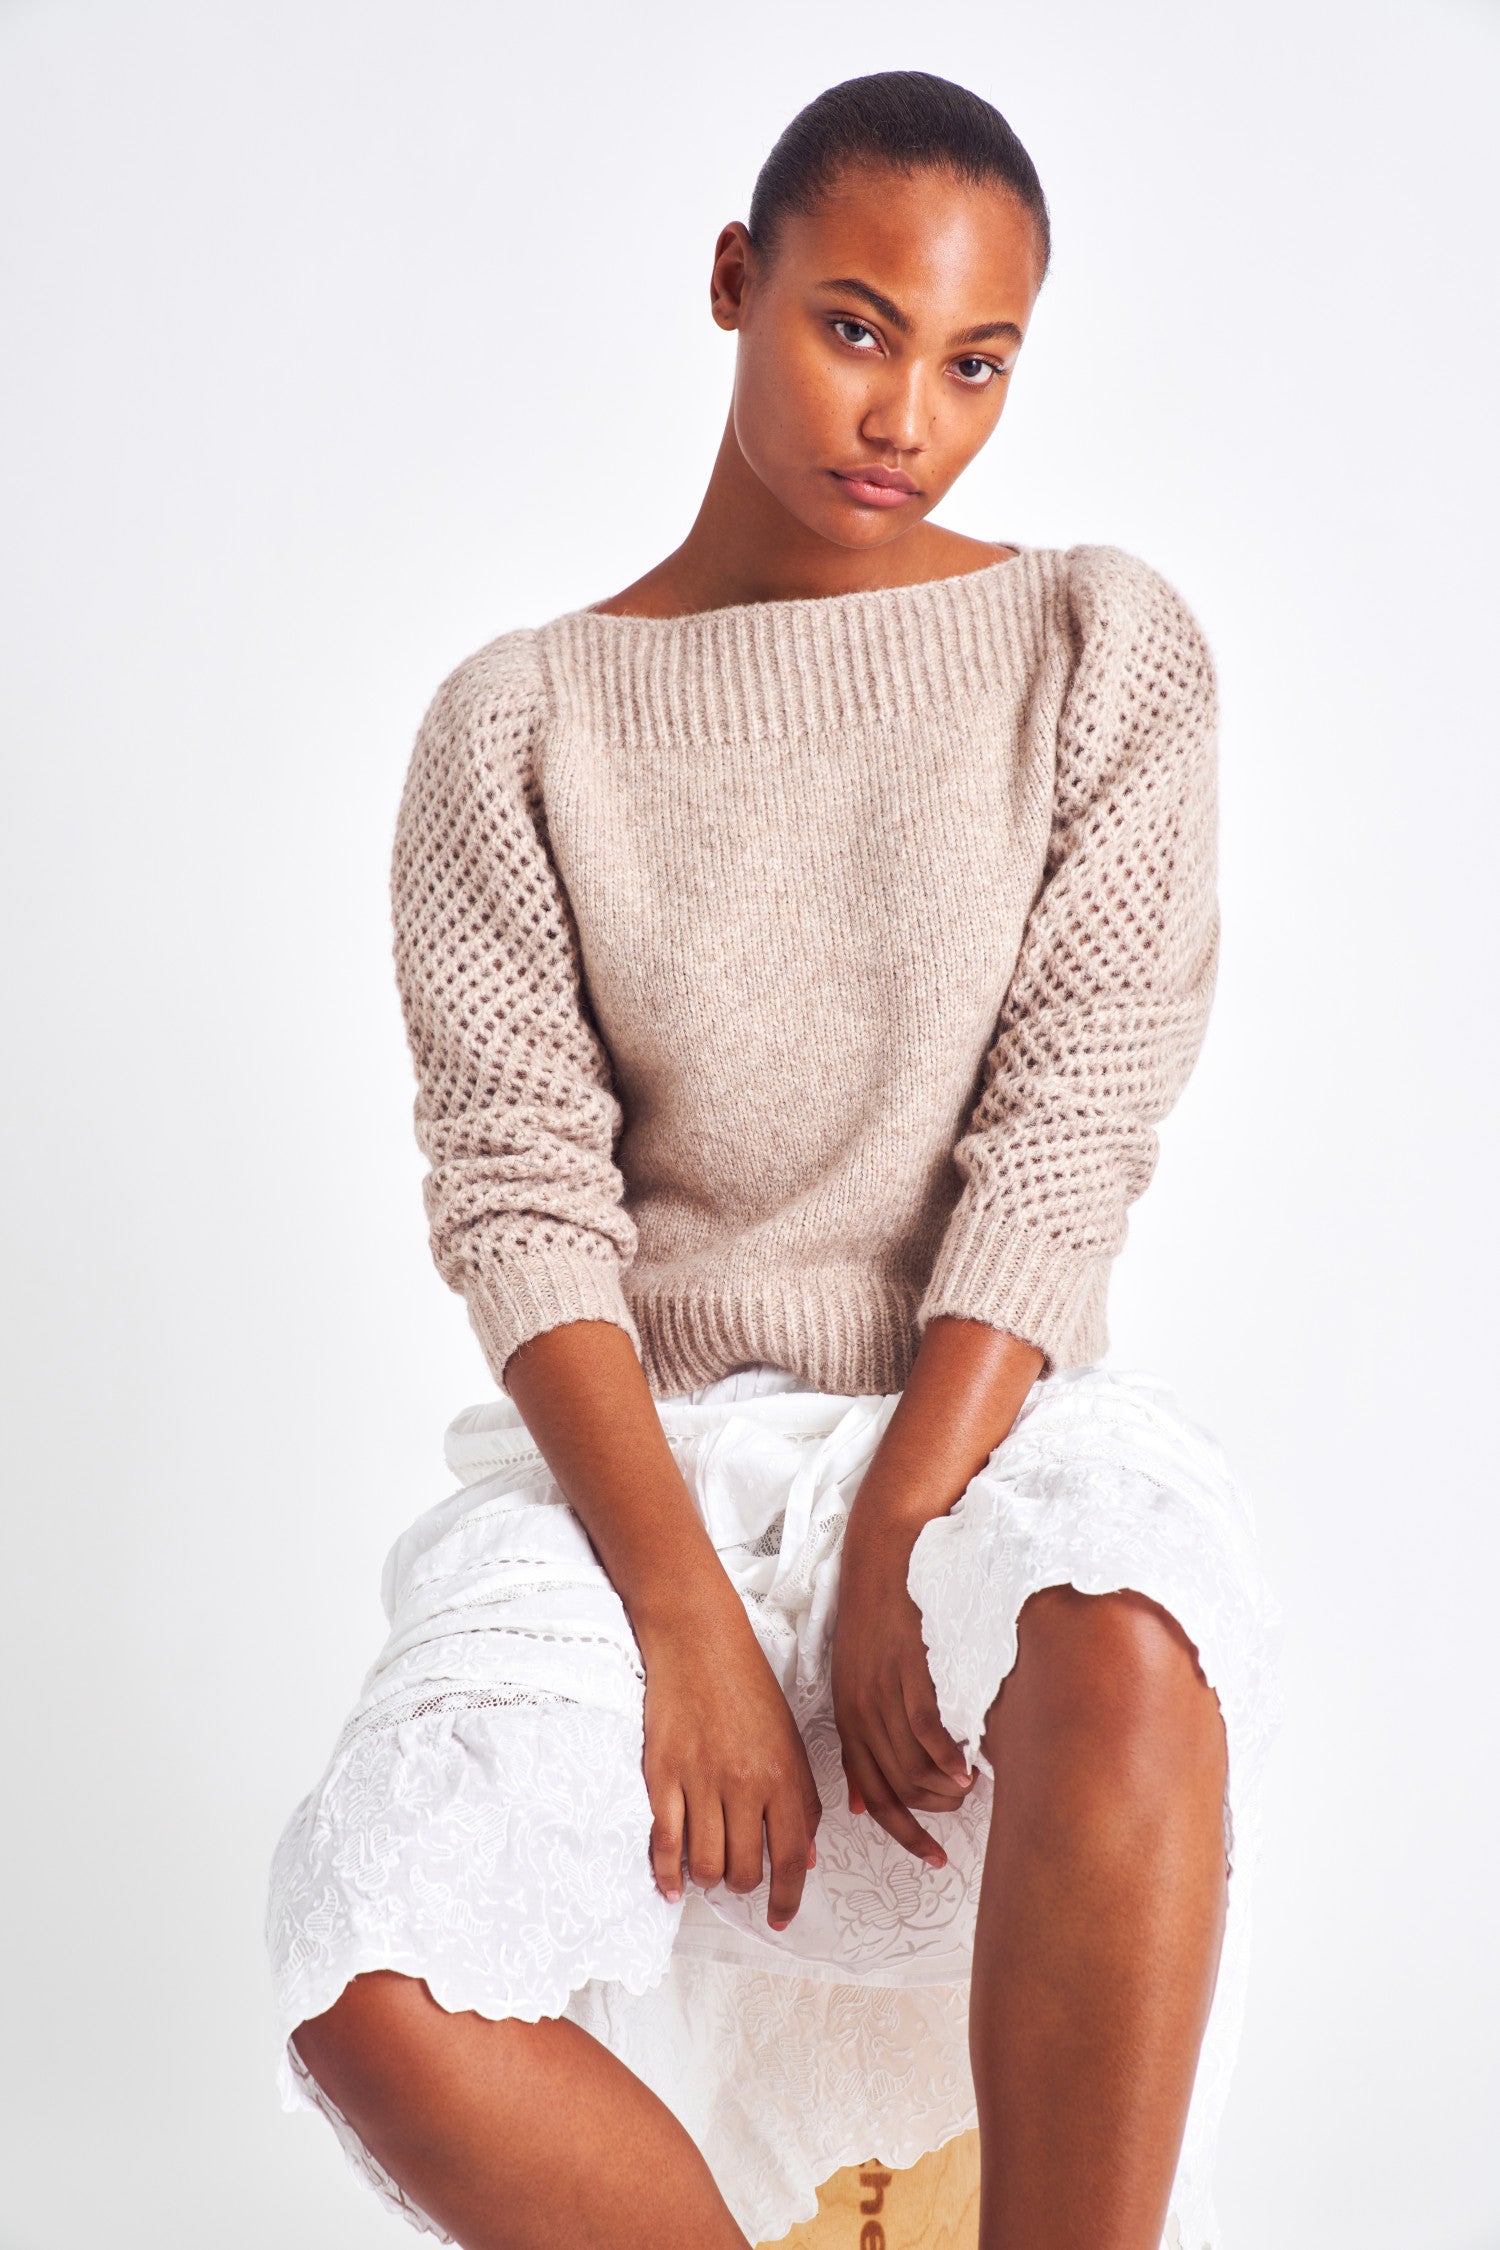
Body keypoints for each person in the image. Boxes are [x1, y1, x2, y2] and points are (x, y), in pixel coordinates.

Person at [266, 69, 1280, 2250]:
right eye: (854, 327)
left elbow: (1073, 1117)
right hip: (637, 1460)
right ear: (736, 280)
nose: (908, 415)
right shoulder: (519, 722)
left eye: (977, 364)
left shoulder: (1098, 646)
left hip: (980, 1411)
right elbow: (520, 1198)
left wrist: (909, 1498)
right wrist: (688, 1614)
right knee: (376, 1975)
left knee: (1130, 1635)